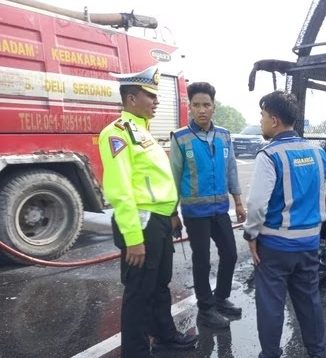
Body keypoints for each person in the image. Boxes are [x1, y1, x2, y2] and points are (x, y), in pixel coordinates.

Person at [98, 65, 197, 358]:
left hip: (159, 222)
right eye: (150, 96)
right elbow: (120, 189)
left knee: (159, 285)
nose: (156, 102)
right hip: (140, 225)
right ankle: (136, 352)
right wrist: (133, 238)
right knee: (139, 293)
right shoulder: (116, 133)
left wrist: (171, 214)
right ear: (131, 99)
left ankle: (165, 336)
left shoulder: (143, 132)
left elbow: (157, 183)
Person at [243, 90, 326, 358]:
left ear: (275, 120)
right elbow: (320, 197)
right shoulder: (318, 154)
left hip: (276, 245)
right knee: (309, 301)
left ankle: (270, 354)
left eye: (263, 115)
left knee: (271, 305)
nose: (261, 121)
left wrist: (251, 235)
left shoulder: (269, 156)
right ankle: (317, 353)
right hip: (309, 242)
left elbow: (257, 204)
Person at [170, 82, 246, 329]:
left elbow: (232, 168)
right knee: (201, 260)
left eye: (206, 105)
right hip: (195, 213)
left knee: (230, 254)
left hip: (220, 209)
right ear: (189, 107)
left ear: (214, 107)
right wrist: (172, 212)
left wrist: (238, 200)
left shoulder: (224, 135)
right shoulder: (181, 138)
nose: (201, 110)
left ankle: (221, 298)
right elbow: (173, 177)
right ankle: (205, 309)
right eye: (196, 105)